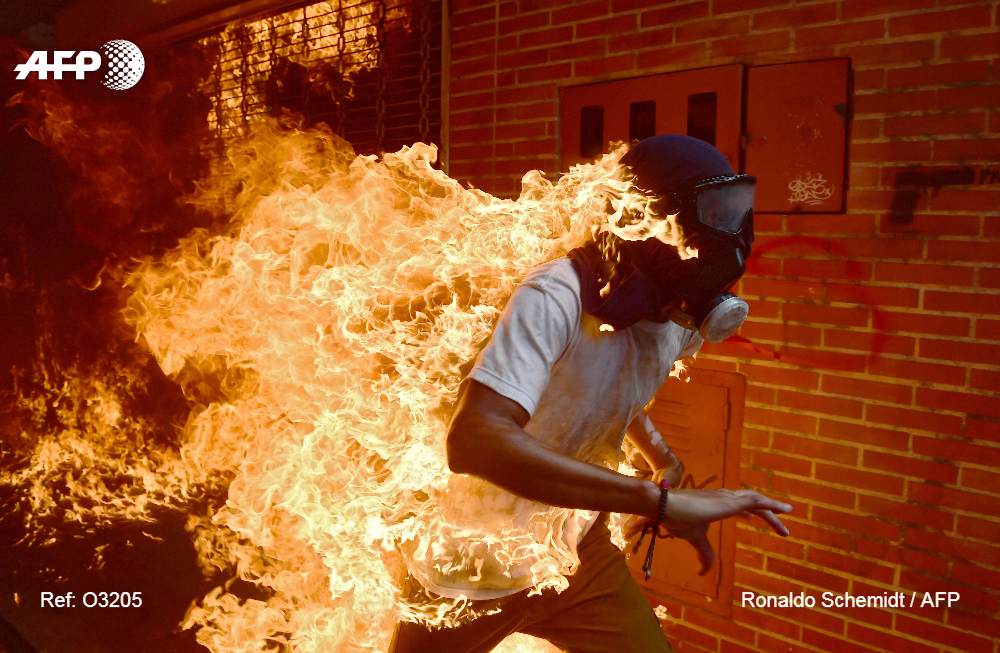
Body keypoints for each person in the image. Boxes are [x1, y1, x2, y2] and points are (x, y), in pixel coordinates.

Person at [391, 135, 791, 653]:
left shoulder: (679, 319)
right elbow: (475, 439)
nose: (728, 237)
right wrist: (659, 502)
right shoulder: (555, 295)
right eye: (711, 213)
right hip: (470, 566)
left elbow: (608, 389)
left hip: (576, 550)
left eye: (734, 213)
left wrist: (663, 461)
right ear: (645, 218)